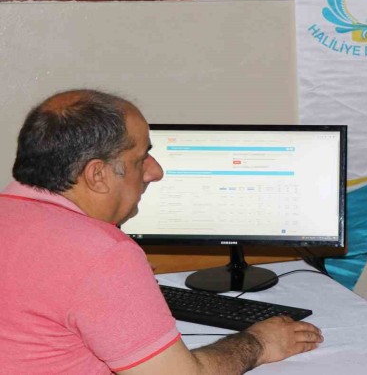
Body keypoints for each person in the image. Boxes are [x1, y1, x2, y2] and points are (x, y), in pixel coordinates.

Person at [0, 89, 323, 374]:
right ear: (97, 175)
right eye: (141, 158)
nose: (156, 172)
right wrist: (260, 343)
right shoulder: (101, 253)